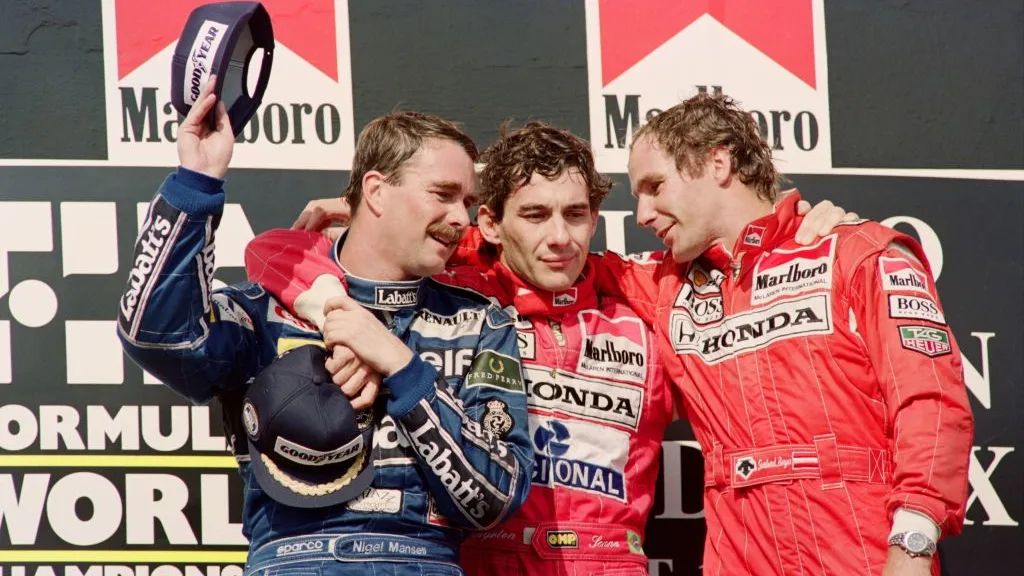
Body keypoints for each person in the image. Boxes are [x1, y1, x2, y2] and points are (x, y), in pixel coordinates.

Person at [245, 121, 852, 575]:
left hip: (610, 562)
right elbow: (276, 250)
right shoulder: (460, 295)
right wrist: (348, 234)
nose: (560, 238)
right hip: (488, 558)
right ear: (489, 225)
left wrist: (799, 231)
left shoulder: (648, 300)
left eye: (577, 214)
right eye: (535, 214)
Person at [117, 77, 533, 576]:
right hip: (292, 558)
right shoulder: (266, 307)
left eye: (466, 202)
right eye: (443, 194)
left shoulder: (478, 321)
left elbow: (493, 497)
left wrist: (402, 369)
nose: (459, 218)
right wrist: (196, 182)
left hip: (423, 562)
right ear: (376, 191)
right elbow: (156, 336)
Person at [588, 93, 974, 576]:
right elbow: (535, 254)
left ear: (718, 162)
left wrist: (913, 544)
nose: (643, 214)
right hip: (741, 558)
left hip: (864, 555)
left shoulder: (857, 253)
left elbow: (931, 403)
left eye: (655, 186)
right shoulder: (662, 285)